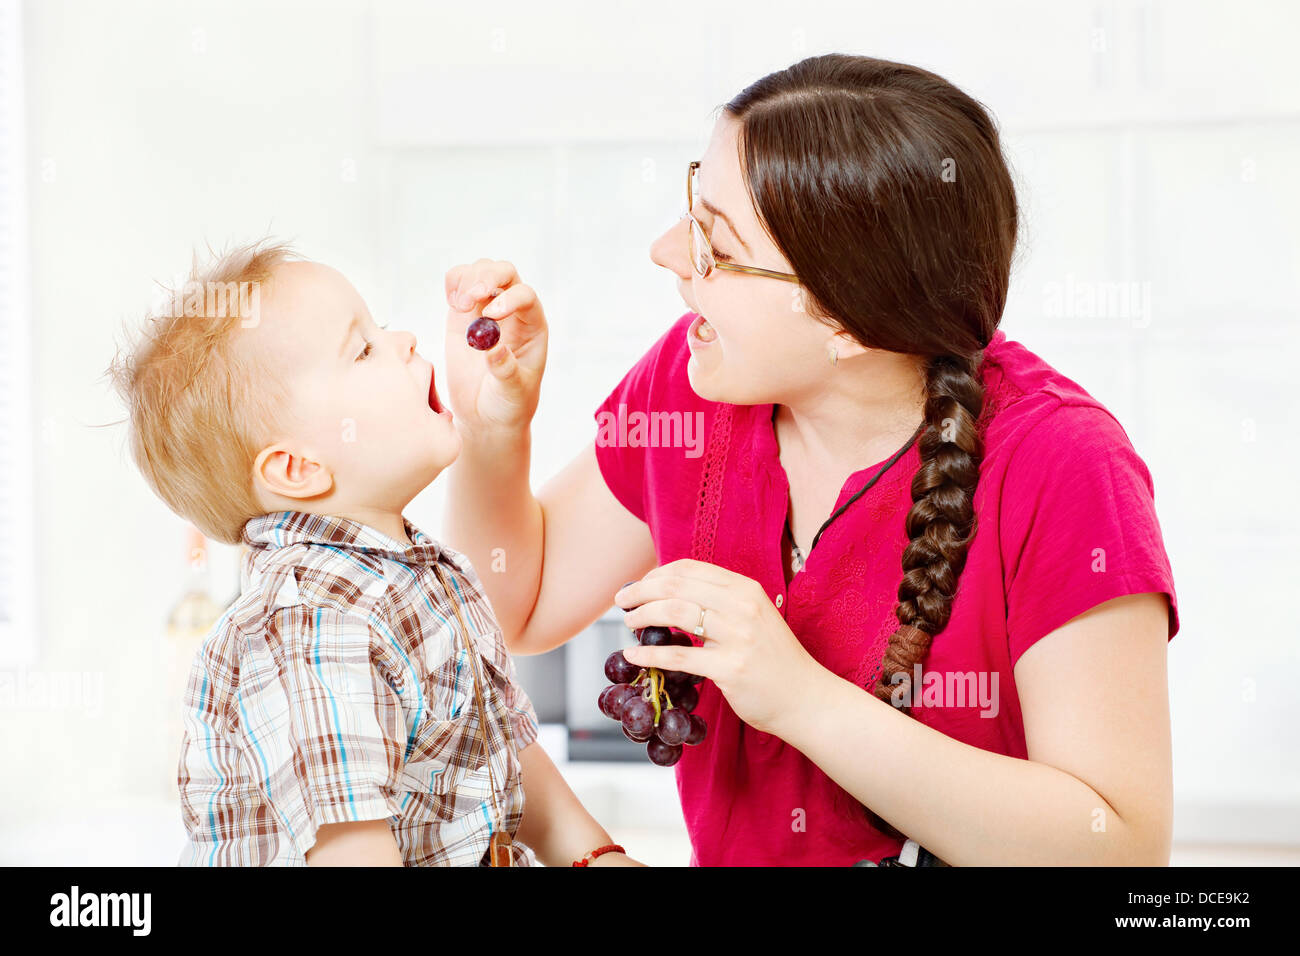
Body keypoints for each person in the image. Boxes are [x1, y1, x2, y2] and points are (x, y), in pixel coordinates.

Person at [440, 54, 1179, 866]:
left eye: (716, 245)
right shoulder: (696, 385)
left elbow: (1120, 848)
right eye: (693, 207)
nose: (665, 251)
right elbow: (520, 603)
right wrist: (492, 433)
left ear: (845, 323)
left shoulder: (1065, 464)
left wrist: (800, 699)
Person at [107, 240, 643, 866]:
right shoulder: (308, 622)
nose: (408, 341)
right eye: (362, 349)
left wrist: (596, 856)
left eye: (381, 328)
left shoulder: (426, 574)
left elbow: (508, 752)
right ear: (297, 468)